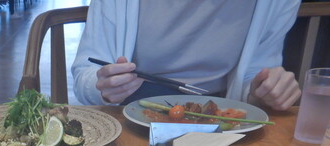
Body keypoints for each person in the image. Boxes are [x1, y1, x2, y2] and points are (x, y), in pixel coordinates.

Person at [71, 0, 302, 110]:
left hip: (220, 112)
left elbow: (252, 76)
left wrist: (265, 90)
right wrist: (105, 86)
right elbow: (86, 73)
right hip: (134, 108)